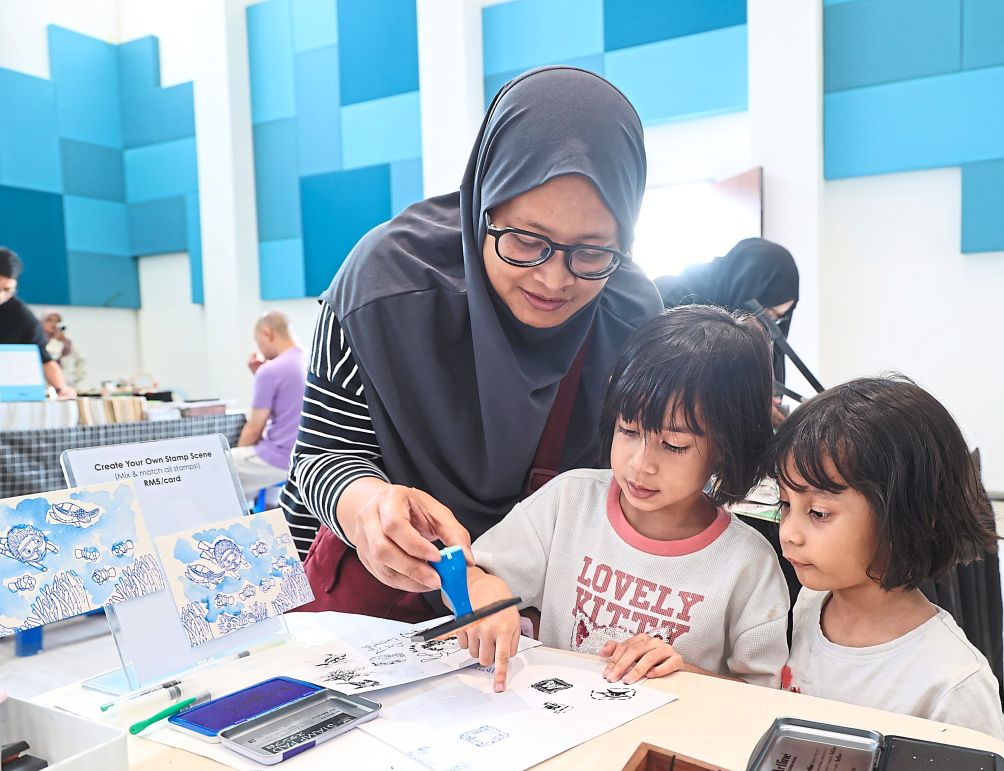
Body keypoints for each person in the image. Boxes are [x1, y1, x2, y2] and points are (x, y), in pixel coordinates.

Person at [281, 67, 663, 623]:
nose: (554, 281)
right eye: (526, 241)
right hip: (379, 603)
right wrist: (368, 507)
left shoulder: (630, 316)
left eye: (592, 252)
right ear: (483, 205)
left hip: (533, 617)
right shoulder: (383, 288)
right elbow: (321, 454)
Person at [453, 306, 790, 692]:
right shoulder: (571, 500)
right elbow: (463, 576)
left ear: (726, 448)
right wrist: (480, 588)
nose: (640, 463)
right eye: (628, 429)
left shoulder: (748, 564)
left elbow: (763, 696)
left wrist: (688, 676)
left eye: (674, 445)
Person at [773, 375, 1004, 738]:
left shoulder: (953, 685)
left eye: (817, 512)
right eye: (785, 505)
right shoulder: (812, 602)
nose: (788, 532)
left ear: (908, 514)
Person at [655, 238, 799, 422]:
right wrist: (745, 406)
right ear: (744, 289)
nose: (769, 324)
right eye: (767, 311)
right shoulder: (673, 299)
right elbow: (670, 388)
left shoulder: (764, 330)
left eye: (779, 317)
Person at [232, 311, 306, 501]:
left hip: (279, 459)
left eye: (258, 341)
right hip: (305, 456)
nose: (260, 348)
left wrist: (241, 452)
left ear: (267, 333)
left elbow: (254, 430)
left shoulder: (271, 370)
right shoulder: (312, 360)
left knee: (220, 464)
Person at [0, 248, 76, 399]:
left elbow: (43, 358)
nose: (1, 296)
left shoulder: (20, 316)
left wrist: (61, 389)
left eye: (7, 290)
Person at [40, 312, 87, 389]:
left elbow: (81, 360)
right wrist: (55, 341)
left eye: (57, 321)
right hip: (46, 386)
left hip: (66, 385)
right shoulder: (38, 341)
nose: (54, 324)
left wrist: (75, 378)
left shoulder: (66, 343)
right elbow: (49, 359)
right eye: (50, 320)